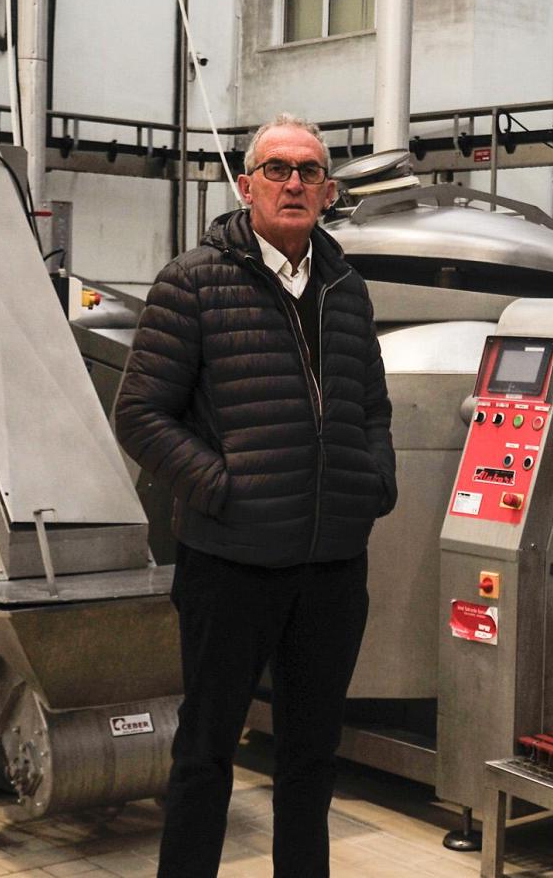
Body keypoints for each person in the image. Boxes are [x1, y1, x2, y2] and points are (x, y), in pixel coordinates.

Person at [114, 113, 397, 877]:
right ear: (246, 186)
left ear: (329, 191)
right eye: (277, 169)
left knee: (312, 758)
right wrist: (223, 488)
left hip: (331, 568)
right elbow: (140, 415)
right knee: (206, 753)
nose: (293, 183)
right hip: (229, 563)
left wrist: (375, 481)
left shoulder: (346, 289)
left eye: (309, 171)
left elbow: (372, 407)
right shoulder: (193, 281)